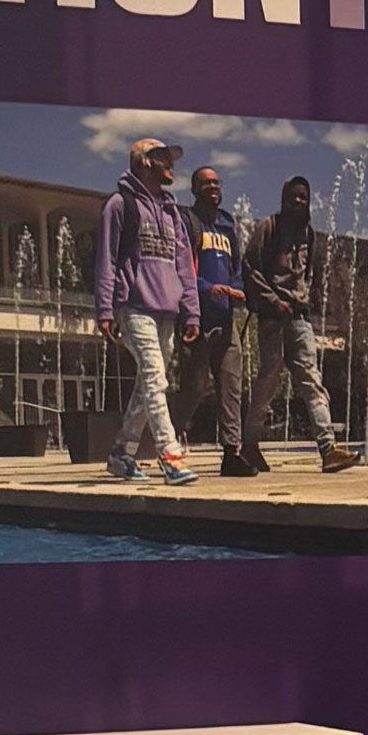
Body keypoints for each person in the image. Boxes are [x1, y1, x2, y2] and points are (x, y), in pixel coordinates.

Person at [91, 136, 199, 485]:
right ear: (145, 162)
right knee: (155, 375)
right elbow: (106, 259)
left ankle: (122, 453)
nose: (171, 165)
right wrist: (105, 309)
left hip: (167, 310)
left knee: (148, 382)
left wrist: (191, 311)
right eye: (164, 158)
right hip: (134, 306)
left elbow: (184, 264)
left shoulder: (173, 213)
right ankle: (170, 454)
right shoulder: (120, 205)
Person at [240, 174, 360, 476]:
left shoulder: (309, 234)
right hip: (272, 318)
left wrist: (306, 300)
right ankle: (249, 445)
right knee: (268, 381)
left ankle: (328, 449)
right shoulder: (268, 227)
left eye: (302, 197)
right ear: (284, 197)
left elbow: (310, 273)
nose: (298, 201)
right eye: (293, 195)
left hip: (300, 317)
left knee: (311, 379)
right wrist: (271, 300)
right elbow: (250, 267)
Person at [171, 166, 244, 463]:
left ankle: (231, 452)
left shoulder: (227, 225)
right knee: (195, 387)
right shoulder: (188, 222)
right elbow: (182, 268)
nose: (213, 187)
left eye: (217, 182)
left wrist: (237, 290)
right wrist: (206, 289)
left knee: (231, 385)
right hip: (197, 318)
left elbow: (236, 268)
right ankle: (169, 436)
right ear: (195, 189)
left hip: (226, 319)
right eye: (206, 183)